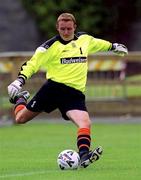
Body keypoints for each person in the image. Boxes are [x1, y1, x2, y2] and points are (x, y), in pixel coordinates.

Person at [7, 13, 128, 168]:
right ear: (57, 28)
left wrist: (113, 46)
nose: (65, 32)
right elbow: (32, 64)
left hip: (74, 94)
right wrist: (20, 81)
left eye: (69, 29)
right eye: (62, 29)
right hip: (53, 89)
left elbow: (97, 43)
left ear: (74, 27)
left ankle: (84, 155)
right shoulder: (48, 47)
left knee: (85, 122)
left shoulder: (84, 40)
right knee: (20, 119)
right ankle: (20, 98)